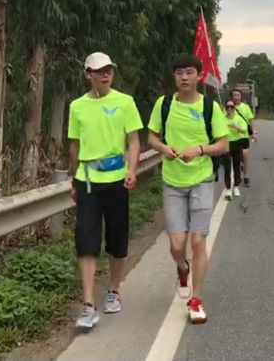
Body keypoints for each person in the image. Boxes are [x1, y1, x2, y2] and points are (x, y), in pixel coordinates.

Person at [148, 54, 228, 324]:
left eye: (189, 72)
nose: (184, 77)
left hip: (202, 180)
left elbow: (223, 145)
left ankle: (196, 299)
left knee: (197, 241)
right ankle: (182, 268)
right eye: (179, 72)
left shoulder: (210, 107)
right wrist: (164, 148)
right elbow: (152, 137)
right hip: (172, 181)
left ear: (198, 76)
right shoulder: (164, 104)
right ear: (174, 76)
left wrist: (199, 150)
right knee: (176, 244)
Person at [68, 52, 143, 329]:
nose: (105, 74)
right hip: (87, 181)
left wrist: (132, 169)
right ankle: (88, 304)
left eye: (109, 70)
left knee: (117, 239)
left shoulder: (125, 102)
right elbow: (74, 146)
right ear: (88, 74)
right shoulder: (77, 106)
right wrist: (74, 180)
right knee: (86, 241)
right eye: (99, 71)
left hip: (116, 180)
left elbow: (133, 140)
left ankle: (113, 289)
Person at [230, 88, 257, 187]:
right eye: (234, 95)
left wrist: (254, 132)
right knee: (235, 158)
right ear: (231, 97)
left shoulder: (245, 107)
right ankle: (237, 177)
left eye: (238, 95)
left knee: (245, 155)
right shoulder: (228, 107)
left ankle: (246, 176)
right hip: (232, 137)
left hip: (243, 136)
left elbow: (251, 120)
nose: (236, 97)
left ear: (241, 97)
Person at [222, 100, 248, 199]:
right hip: (226, 144)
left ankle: (236, 186)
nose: (229, 109)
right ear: (225, 108)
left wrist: (236, 127)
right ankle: (228, 189)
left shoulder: (238, 118)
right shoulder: (222, 118)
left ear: (234, 108)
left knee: (236, 165)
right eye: (227, 107)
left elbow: (244, 130)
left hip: (237, 143)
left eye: (231, 107)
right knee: (227, 166)